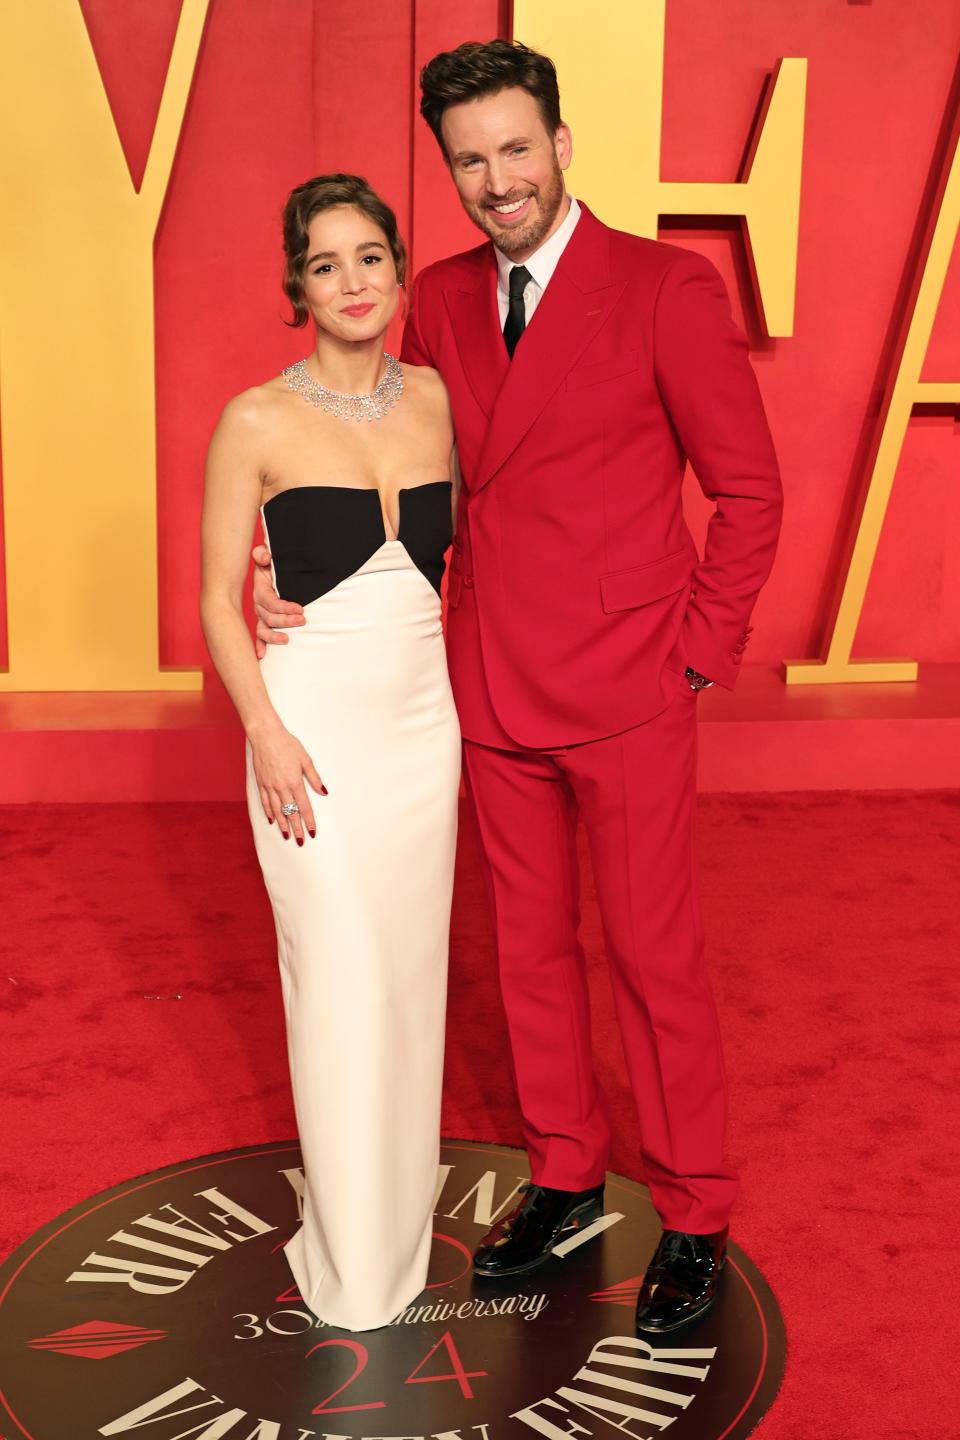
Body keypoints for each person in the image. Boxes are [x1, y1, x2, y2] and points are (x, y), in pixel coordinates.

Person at [253, 41, 783, 1334]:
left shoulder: (665, 285)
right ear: (450, 168)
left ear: (559, 141)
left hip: (631, 684)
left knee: (657, 959)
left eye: (516, 148)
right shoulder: (432, 296)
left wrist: (698, 652)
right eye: (471, 159)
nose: (499, 179)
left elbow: (752, 490)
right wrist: (283, 564)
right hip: (484, 683)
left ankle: (697, 1207)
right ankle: (560, 1170)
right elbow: (374, 442)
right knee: (530, 955)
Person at [200, 173, 461, 1332]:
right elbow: (216, 597)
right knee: (341, 983)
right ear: (293, 283)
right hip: (307, 736)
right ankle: (353, 1271)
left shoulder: (444, 400)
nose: (351, 283)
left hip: (424, 729)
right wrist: (264, 731)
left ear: (399, 273)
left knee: (408, 986)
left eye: (370, 259)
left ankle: (392, 1243)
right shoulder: (255, 418)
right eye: (324, 263)